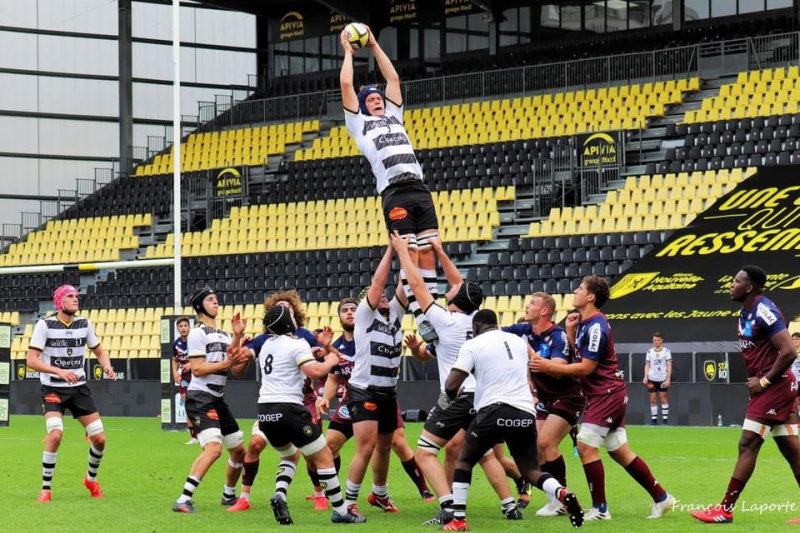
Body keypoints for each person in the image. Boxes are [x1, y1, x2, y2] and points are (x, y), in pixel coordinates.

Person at [391, 232, 521, 525]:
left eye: (454, 290)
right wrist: (439, 251)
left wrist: (402, 252)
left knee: (424, 452)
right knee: (485, 453)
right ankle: (509, 505)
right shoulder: (476, 323)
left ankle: (447, 505)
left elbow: (415, 284)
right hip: (483, 397)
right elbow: (461, 287)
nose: (450, 289)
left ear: (458, 300)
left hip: (457, 397)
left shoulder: (443, 320)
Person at [531, 275, 676, 521]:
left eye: (580, 288)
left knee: (586, 445)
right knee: (620, 451)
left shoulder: (596, 325)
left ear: (591, 297)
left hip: (606, 394)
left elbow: (586, 368)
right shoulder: (586, 323)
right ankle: (662, 498)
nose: (574, 291)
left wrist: (548, 367)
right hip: (607, 394)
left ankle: (600, 509)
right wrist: (570, 330)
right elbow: (582, 357)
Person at [441, 309, 584, 532]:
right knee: (530, 470)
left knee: (464, 460)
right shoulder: (518, 341)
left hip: (493, 410)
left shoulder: (472, 344)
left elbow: (451, 385)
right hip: (525, 411)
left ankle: (458, 520)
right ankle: (561, 492)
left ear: (476, 326)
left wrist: (451, 400)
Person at [339, 25, 439, 343]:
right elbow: (345, 84)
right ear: (364, 106)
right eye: (369, 99)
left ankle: (432, 313)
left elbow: (393, 79)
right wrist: (349, 52)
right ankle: (421, 317)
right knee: (408, 251)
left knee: (428, 252)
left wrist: (375, 45)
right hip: (393, 190)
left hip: (418, 187)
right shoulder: (360, 125)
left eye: (378, 97)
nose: (376, 100)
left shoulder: (395, 116)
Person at [691, 266, 800, 525]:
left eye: (736, 281)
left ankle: (725, 509)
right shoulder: (746, 312)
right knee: (792, 451)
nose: (731, 284)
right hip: (777, 388)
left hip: (774, 387)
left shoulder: (764, 310)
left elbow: (789, 351)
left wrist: (764, 381)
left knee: (748, 443)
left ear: (749, 286)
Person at [253, 304, 365, 525]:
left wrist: (312, 354)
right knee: (324, 457)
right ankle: (342, 511)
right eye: (291, 316)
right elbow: (315, 372)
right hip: (289, 408)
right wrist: (330, 360)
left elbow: (287, 362)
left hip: (265, 412)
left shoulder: (266, 345)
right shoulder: (297, 343)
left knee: (289, 455)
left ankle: (280, 493)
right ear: (288, 323)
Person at [316, 298, 434, 502]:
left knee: (397, 442)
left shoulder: (373, 334)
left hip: (381, 394)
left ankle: (422, 489)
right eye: (345, 310)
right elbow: (334, 377)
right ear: (339, 317)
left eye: (354, 309)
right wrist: (325, 398)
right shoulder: (336, 345)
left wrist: (332, 352)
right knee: (330, 445)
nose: (350, 313)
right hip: (352, 400)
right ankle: (330, 494)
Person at [227, 290, 330, 512]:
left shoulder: (305, 336)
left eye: (288, 307)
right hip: (272, 402)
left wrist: (325, 350)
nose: (285, 310)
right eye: (279, 307)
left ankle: (320, 494)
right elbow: (236, 368)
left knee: (312, 455)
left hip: (303, 402)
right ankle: (244, 497)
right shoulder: (264, 340)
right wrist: (237, 337)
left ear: (294, 312)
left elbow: (318, 369)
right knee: (255, 444)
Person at [27, 284, 116, 503]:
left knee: (100, 439)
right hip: (53, 388)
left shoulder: (85, 324)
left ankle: (91, 480)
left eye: (77, 296)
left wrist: (107, 366)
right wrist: (59, 371)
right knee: (56, 434)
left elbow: (99, 351)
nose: (76, 299)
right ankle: (46, 489)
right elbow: (31, 361)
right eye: (70, 296)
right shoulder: (44, 325)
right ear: (60, 302)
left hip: (78, 389)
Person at [503, 292, 586, 517]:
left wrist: (531, 355)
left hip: (568, 397)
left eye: (531, 303)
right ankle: (555, 499)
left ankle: (563, 499)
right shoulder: (524, 331)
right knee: (536, 449)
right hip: (545, 399)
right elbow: (494, 333)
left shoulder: (557, 336)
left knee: (546, 442)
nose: (526, 306)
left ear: (544, 311)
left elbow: (557, 368)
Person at [172, 287, 252, 513]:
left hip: (217, 398)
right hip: (200, 398)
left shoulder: (226, 335)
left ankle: (228, 495)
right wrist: (228, 363)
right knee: (214, 449)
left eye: (216, 299)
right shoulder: (198, 333)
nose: (216, 302)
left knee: (239, 452)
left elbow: (236, 370)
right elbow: (197, 369)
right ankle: (183, 499)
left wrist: (239, 341)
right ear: (199, 306)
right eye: (210, 299)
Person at [343, 245, 404, 516]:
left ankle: (379, 494)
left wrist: (407, 251)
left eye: (384, 295)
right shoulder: (365, 317)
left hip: (388, 391)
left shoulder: (396, 315)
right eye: (376, 295)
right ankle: (348, 502)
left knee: (385, 446)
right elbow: (378, 283)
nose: (382, 296)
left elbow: (407, 282)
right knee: (365, 447)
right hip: (365, 390)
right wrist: (392, 250)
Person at [172, 316, 198, 444]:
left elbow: (203, 358)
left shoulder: (194, 341)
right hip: (185, 378)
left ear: (189, 327)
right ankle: (193, 436)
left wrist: (191, 364)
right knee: (187, 405)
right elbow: (175, 359)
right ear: (177, 328)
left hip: (198, 376)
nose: (183, 328)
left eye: (185, 326)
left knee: (200, 405)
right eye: (181, 326)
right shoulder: (176, 344)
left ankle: (204, 432)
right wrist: (175, 372)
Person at [643, 332, 672, 425]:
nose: (656, 342)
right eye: (655, 340)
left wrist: (668, 379)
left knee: (663, 398)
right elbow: (647, 364)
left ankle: (665, 422)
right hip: (652, 378)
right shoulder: (649, 351)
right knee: (653, 399)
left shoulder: (666, 351)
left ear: (662, 340)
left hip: (663, 378)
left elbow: (669, 365)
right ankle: (654, 421)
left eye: (658, 340)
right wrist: (645, 376)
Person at [791, 332, 800, 415]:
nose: (795, 341)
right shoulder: (789, 351)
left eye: (797, 339)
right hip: (793, 380)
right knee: (795, 399)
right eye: (793, 339)